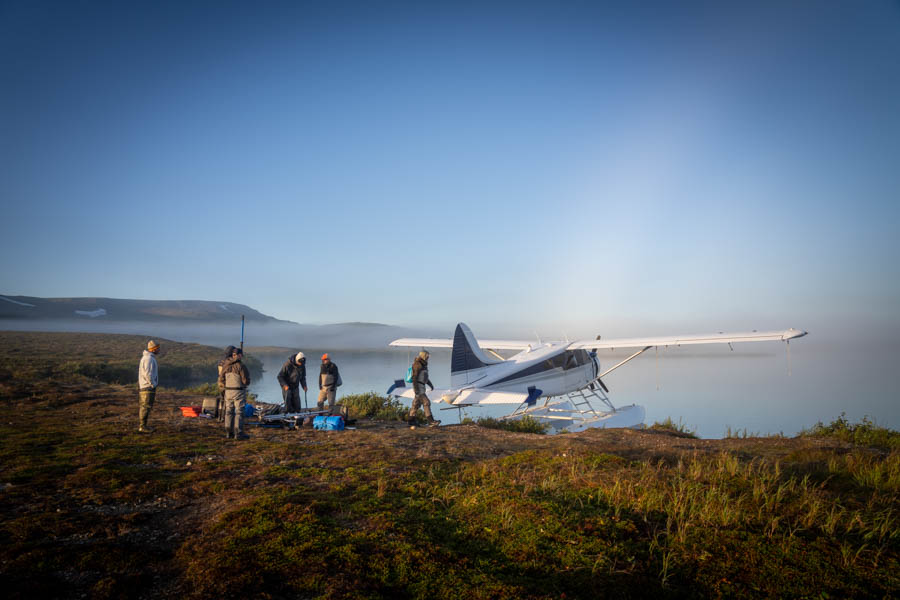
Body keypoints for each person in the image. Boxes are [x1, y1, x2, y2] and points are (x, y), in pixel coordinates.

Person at [218, 346, 251, 440]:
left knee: (229, 412)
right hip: (238, 391)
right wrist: (246, 383)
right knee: (239, 412)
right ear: (239, 355)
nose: (241, 357)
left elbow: (221, 378)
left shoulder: (225, 365)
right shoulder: (241, 366)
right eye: (241, 355)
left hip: (228, 391)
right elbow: (245, 381)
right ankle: (238, 434)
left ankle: (229, 433)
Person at [409, 350, 440, 427]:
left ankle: (411, 420)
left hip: (422, 386)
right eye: (427, 355)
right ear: (423, 355)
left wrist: (430, 384)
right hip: (418, 387)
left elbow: (424, 377)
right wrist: (416, 390)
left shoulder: (424, 364)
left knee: (416, 404)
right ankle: (431, 421)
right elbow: (414, 378)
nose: (428, 357)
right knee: (426, 402)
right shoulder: (417, 364)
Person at [137, 340, 160, 433]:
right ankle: (142, 427)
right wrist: (153, 384)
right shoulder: (148, 359)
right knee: (145, 407)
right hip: (147, 387)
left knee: (145, 406)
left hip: (146, 386)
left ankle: (143, 426)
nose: (159, 350)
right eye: (158, 348)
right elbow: (147, 374)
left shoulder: (148, 358)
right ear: (154, 349)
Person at [216, 345, 235, 421]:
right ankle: (225, 417)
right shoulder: (230, 361)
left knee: (222, 399)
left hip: (220, 381)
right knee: (228, 400)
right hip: (227, 382)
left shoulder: (221, 360)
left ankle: (219, 417)